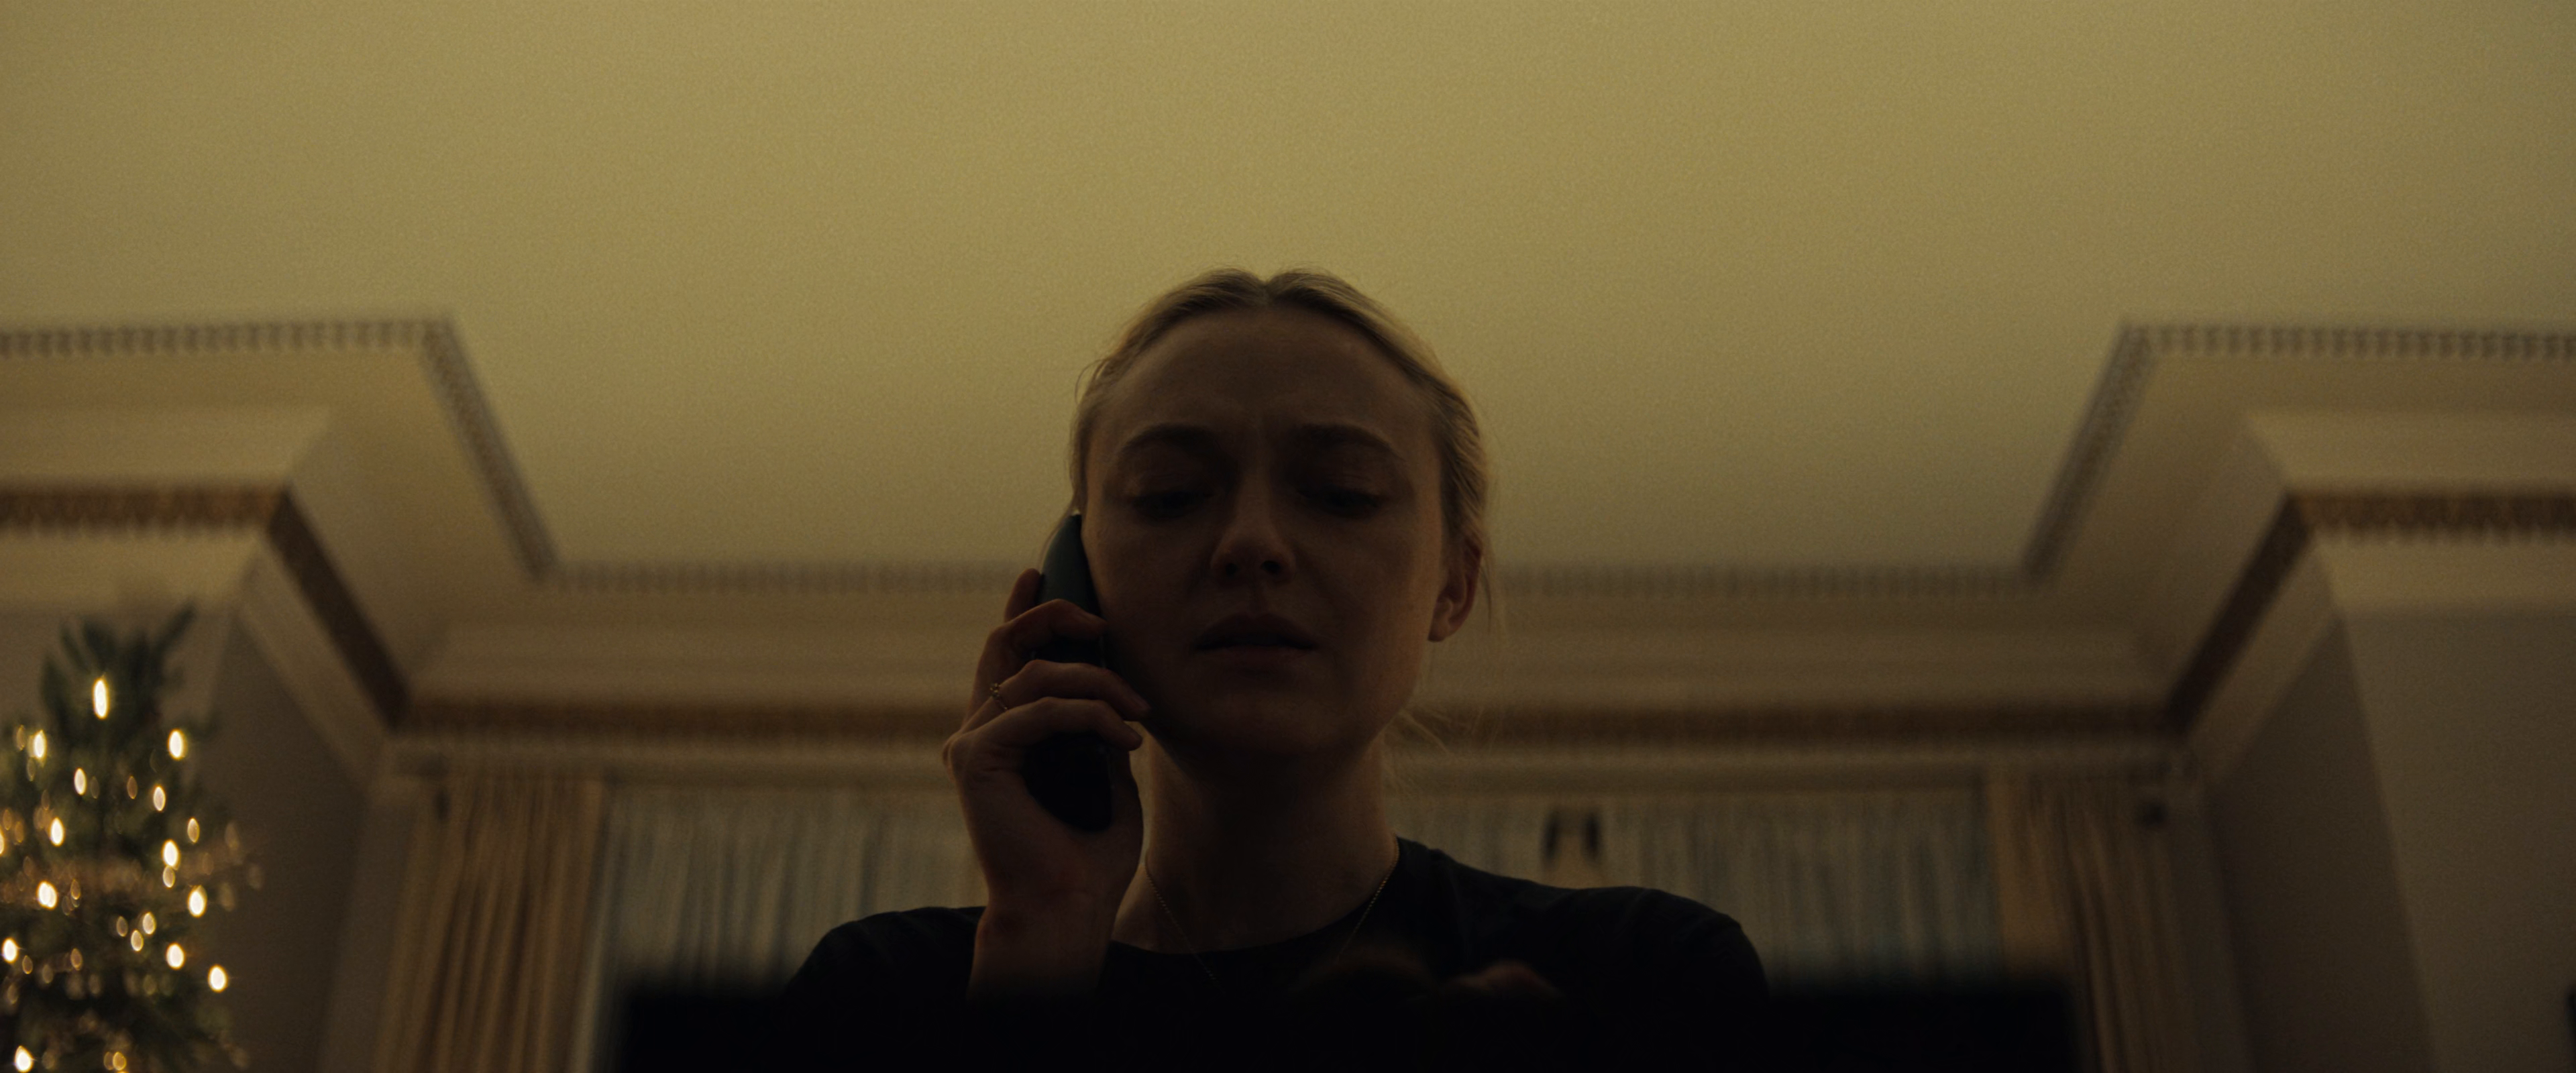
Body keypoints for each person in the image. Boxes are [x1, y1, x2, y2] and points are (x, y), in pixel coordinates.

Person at [772, 268, 1768, 1070]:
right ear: (1077, 581)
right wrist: (1039, 946)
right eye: (1169, 495)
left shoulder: (1636, 977)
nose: (1252, 542)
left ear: (1452, 588)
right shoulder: (887, 995)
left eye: (1342, 493)